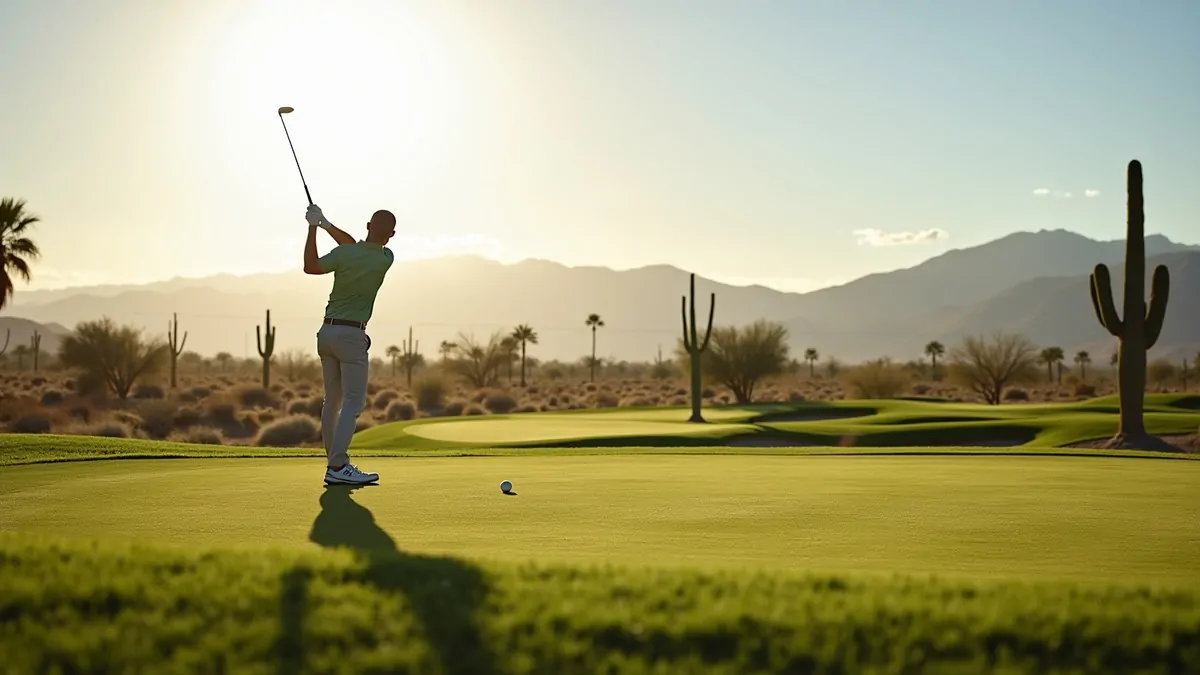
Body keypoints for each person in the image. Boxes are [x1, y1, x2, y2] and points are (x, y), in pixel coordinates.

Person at [303, 203, 396, 485]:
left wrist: (314, 227)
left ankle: (334, 464)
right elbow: (354, 245)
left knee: (332, 400)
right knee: (354, 401)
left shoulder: (345, 254)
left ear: (367, 227)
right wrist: (325, 225)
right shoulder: (385, 258)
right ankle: (338, 466)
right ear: (391, 235)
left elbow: (311, 266)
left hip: (326, 333)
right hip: (352, 337)